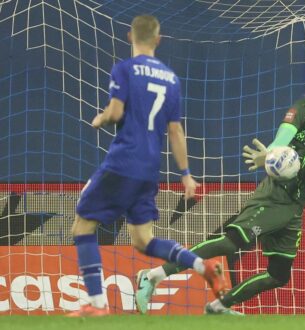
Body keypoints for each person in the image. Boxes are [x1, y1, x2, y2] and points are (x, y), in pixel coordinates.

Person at [135, 56, 305, 315]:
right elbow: (280, 143)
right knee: (230, 243)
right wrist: (268, 157)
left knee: (278, 275)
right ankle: (155, 275)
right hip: (275, 195)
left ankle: (218, 306)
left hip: (295, 206)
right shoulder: (301, 109)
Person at [67, 15, 226, 317]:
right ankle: (202, 266)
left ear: (130, 36)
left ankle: (98, 303)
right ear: (158, 39)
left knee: (82, 225)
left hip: (123, 161)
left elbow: (115, 112)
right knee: (143, 240)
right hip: (150, 169)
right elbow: (176, 131)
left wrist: (100, 118)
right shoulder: (171, 78)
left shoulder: (124, 69)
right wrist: (186, 175)